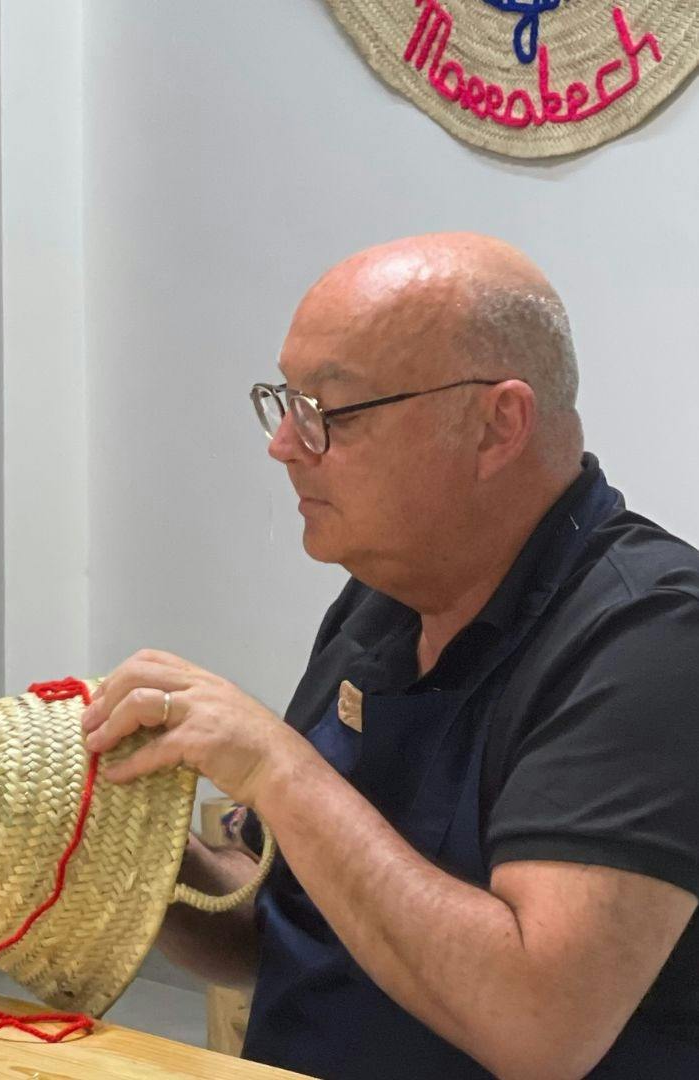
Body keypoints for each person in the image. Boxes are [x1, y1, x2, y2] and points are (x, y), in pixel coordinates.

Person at [81, 234, 698, 1077]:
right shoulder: (384, 600)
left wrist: (276, 765)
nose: (285, 446)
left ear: (497, 425)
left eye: (330, 413)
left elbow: (539, 1025)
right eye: (285, 402)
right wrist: (120, 842)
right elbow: (281, 926)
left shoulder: (652, 641)